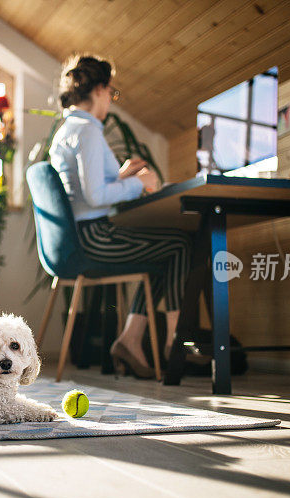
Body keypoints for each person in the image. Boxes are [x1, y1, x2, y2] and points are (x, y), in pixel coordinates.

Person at [48, 54, 192, 379]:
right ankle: (173, 345)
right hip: (93, 238)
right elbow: (95, 196)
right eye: (112, 93)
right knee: (179, 244)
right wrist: (139, 184)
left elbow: (89, 190)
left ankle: (130, 339)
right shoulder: (86, 130)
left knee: (163, 252)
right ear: (100, 89)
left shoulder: (69, 129)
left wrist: (123, 178)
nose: (111, 101)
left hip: (81, 236)